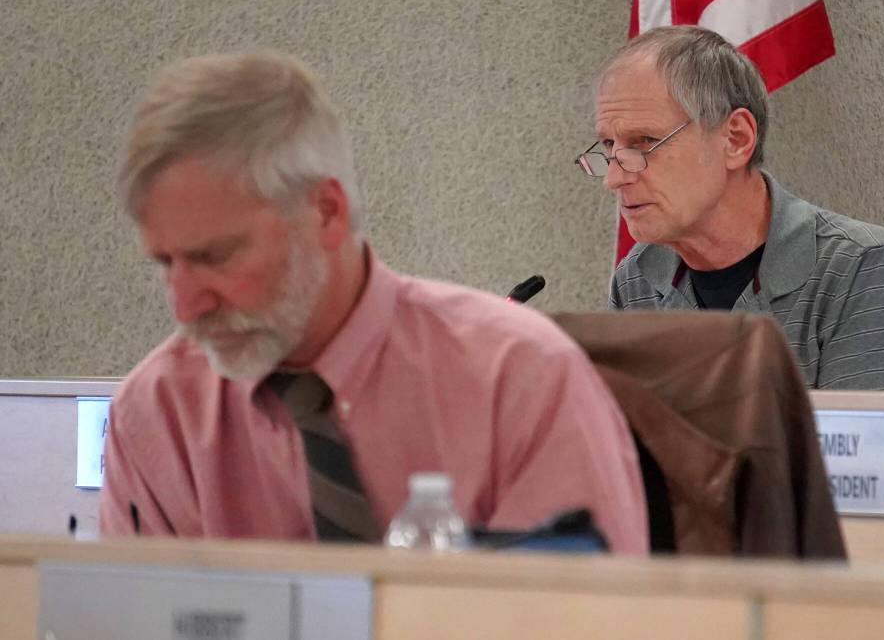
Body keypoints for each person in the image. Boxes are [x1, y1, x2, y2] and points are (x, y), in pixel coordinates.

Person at [98, 49, 648, 554]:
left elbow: (591, 620)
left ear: (326, 213)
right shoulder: (159, 414)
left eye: (216, 257)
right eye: (165, 264)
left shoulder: (520, 377)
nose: (185, 306)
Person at [575, 26, 884, 391]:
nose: (614, 178)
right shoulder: (639, 278)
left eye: (643, 143)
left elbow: (879, 459)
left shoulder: (861, 272)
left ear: (736, 139)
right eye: (609, 147)